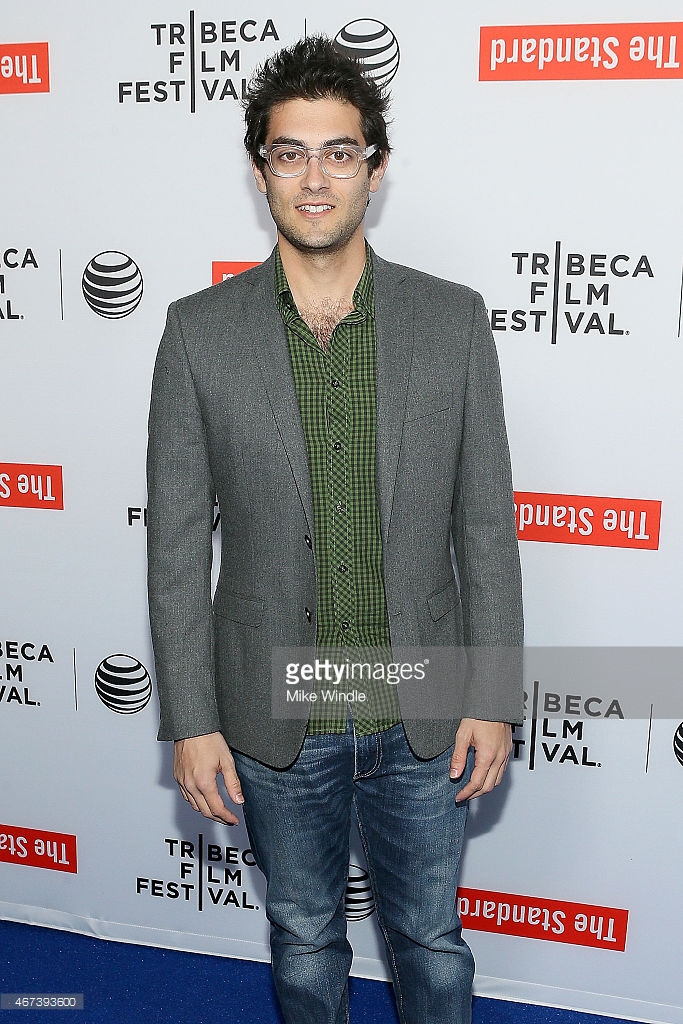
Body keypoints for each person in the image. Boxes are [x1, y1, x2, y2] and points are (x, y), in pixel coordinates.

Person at [147, 35, 523, 1024]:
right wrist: (189, 718)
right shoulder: (197, 331)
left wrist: (490, 693)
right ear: (259, 167)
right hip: (278, 713)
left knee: (432, 946)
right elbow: (177, 549)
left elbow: (485, 524)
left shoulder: (451, 321)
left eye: (339, 152)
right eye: (288, 152)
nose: (314, 177)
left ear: (376, 167)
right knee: (305, 940)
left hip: (420, 705)